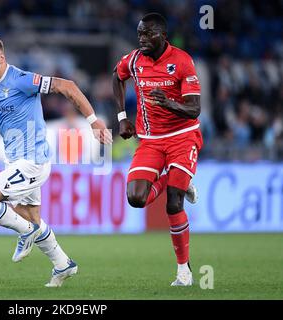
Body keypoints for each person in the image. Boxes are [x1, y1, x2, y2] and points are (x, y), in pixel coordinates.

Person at [0, 34, 112, 287]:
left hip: (33, 162)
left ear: (0, 58)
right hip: (14, 161)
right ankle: (62, 264)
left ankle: (26, 232)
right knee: (30, 216)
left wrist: (94, 123)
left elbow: (67, 86)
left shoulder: (22, 80)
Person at [112, 13, 202, 286]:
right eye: (139, 33)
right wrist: (121, 117)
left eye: (147, 34)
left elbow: (194, 109)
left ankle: (184, 271)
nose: (141, 39)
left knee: (173, 203)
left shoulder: (182, 61)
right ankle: (174, 179)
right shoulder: (135, 60)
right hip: (150, 139)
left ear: (162, 35)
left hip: (183, 137)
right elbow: (116, 77)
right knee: (136, 198)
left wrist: (169, 103)